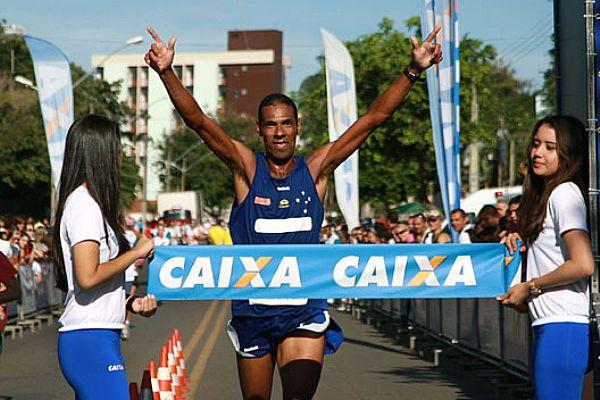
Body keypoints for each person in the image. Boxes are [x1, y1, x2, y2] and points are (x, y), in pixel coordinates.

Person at [146, 24, 442, 400]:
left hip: (302, 311)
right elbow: (200, 122)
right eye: (271, 125)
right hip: (253, 311)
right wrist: (166, 72)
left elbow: (372, 120)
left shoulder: (316, 169)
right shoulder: (246, 169)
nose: (280, 132)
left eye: (287, 123)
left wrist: (413, 71)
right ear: (260, 130)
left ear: (298, 127)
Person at [52, 115, 159, 399]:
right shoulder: (84, 206)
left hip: (99, 334)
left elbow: (93, 285)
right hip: (89, 339)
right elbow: (87, 277)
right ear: (100, 153)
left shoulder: (91, 204)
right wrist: (135, 253)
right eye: (116, 149)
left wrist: (130, 303)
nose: (120, 157)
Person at [498, 116, 594, 400]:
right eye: (536, 144)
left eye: (550, 147)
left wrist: (531, 287)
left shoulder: (564, 194)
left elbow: (582, 263)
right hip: (553, 325)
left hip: (564, 326)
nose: (537, 152)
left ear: (569, 153)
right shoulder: (550, 195)